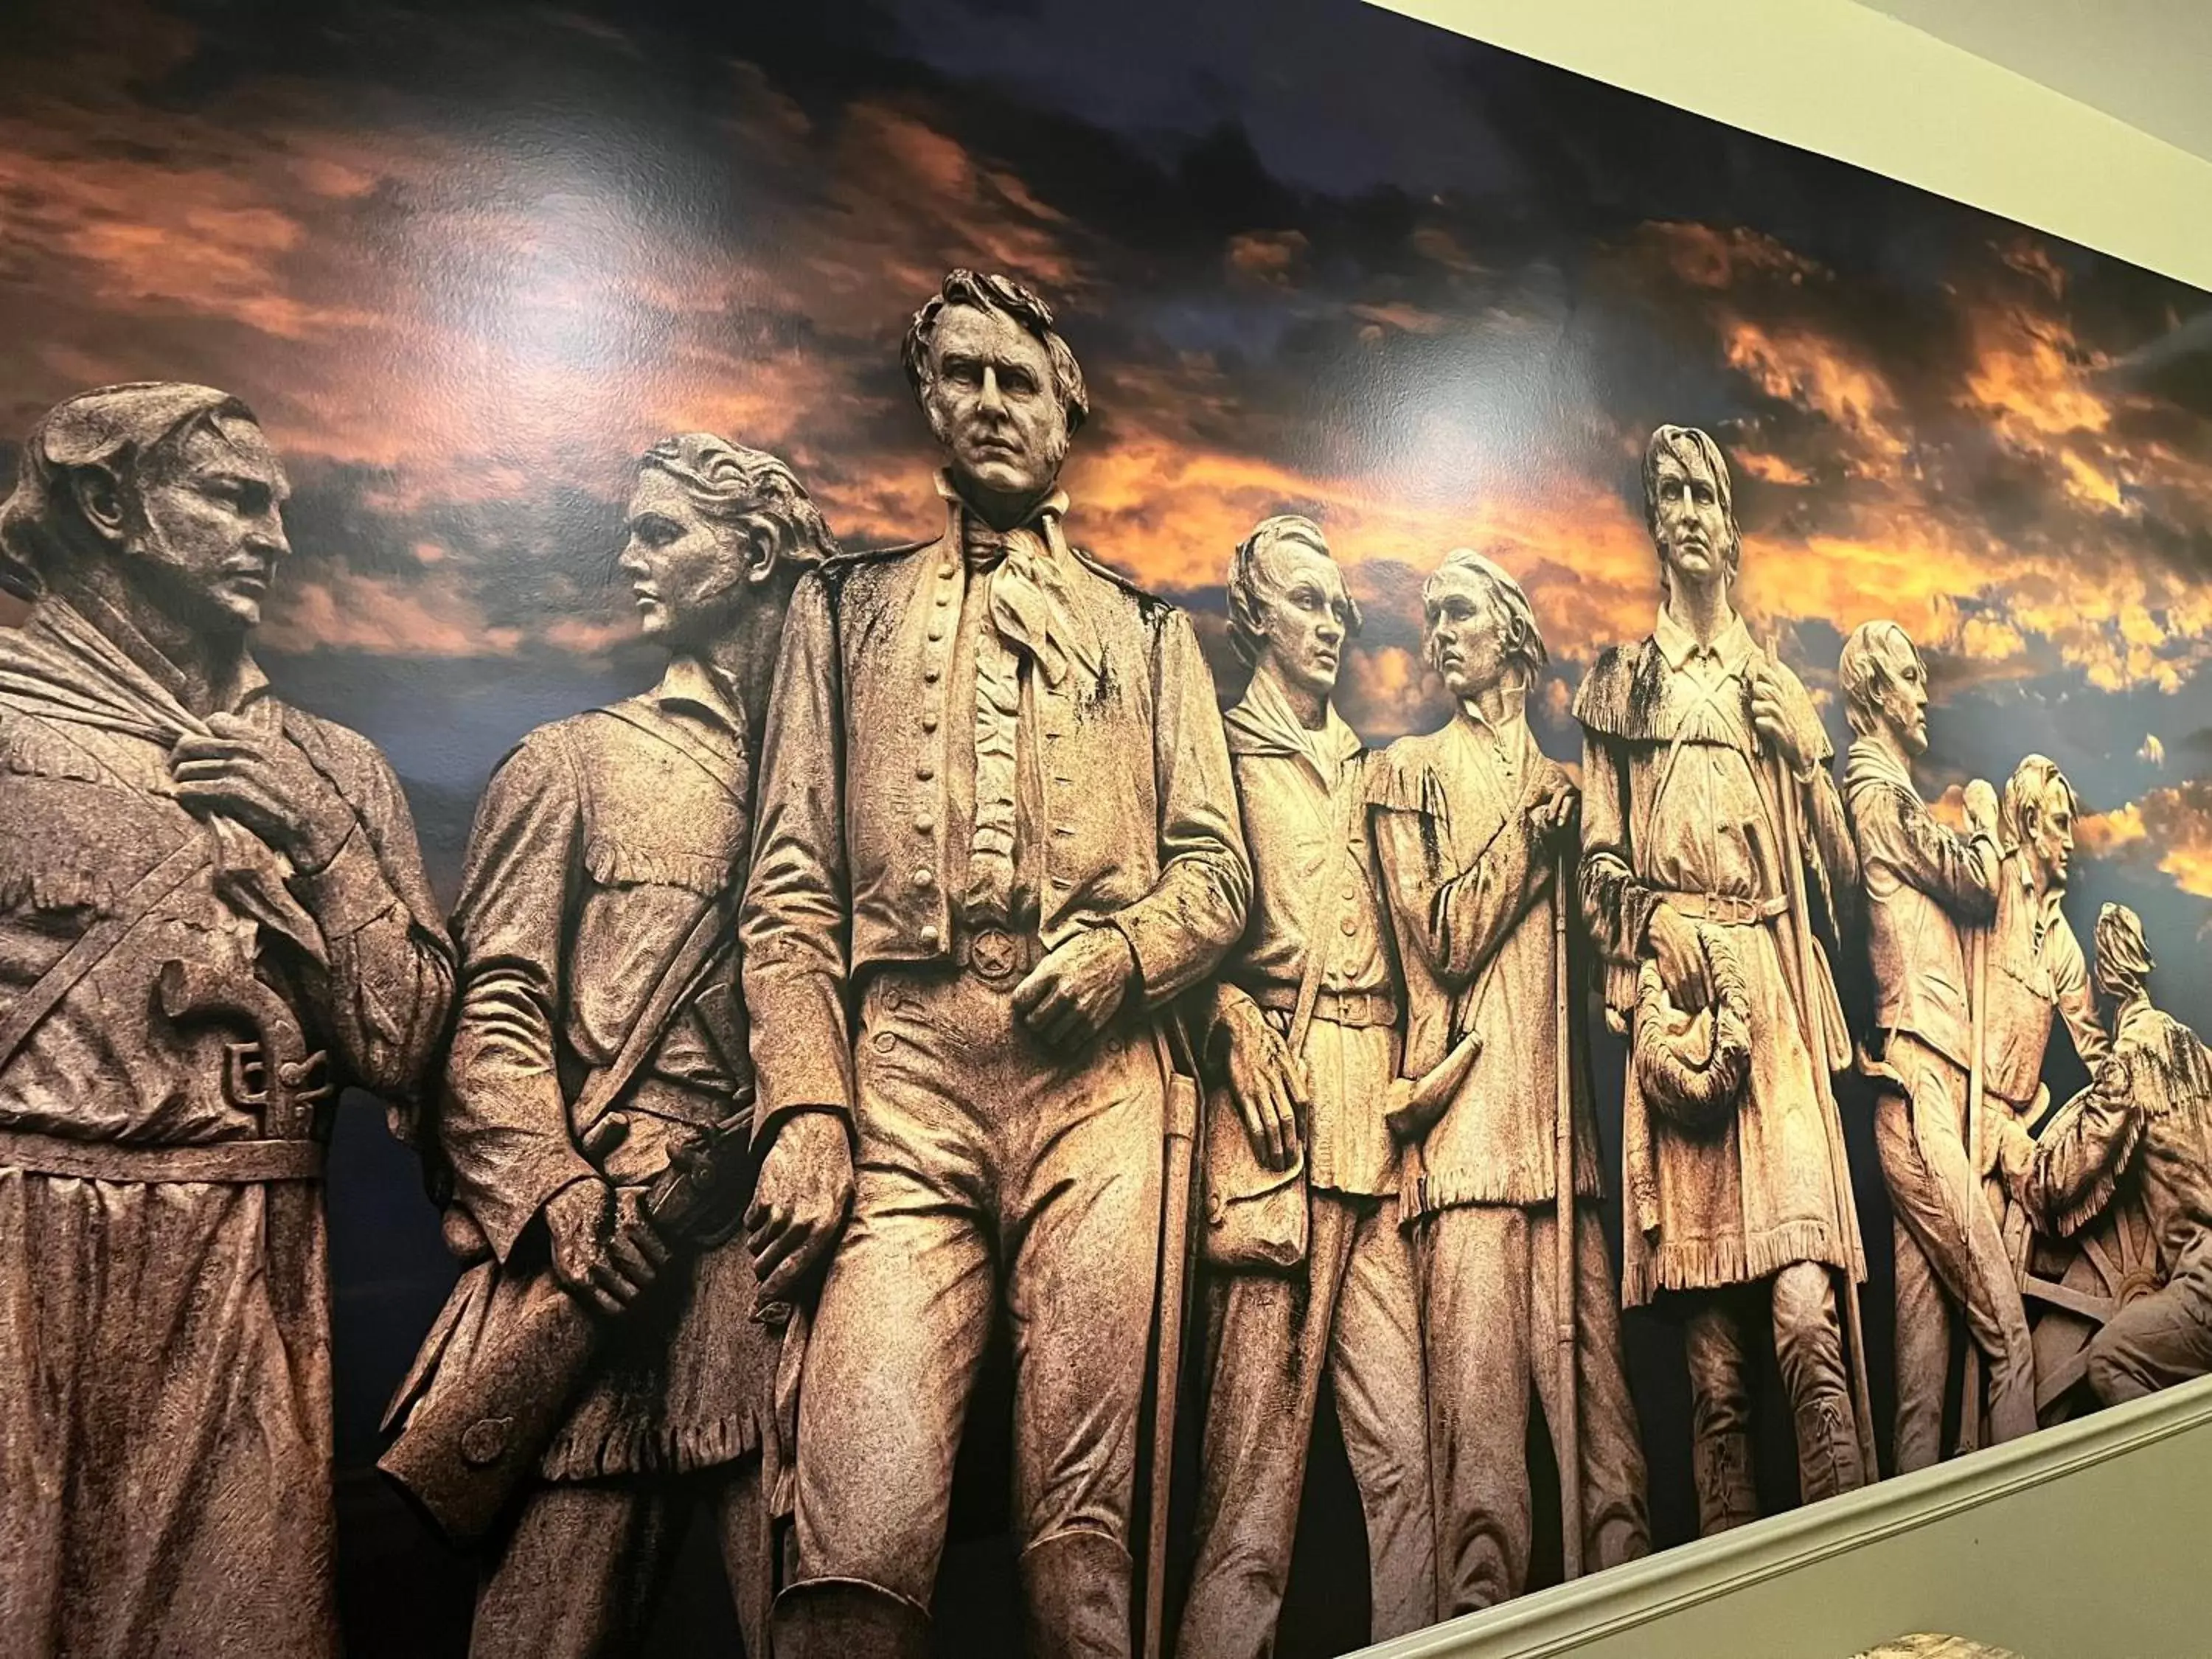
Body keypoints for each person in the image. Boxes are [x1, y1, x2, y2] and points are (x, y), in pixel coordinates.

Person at [740, 269, 1249, 1658]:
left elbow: (1220, 881)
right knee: (854, 1532)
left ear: (1064, 410)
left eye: (1017, 381)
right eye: (961, 376)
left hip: (1099, 1088)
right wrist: (806, 1105)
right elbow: (785, 898)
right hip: (904, 1078)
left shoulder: (1150, 638)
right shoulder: (837, 618)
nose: (987, 403)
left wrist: (1125, 956)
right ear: (927, 401)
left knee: (1086, 1540)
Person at [0, 383, 453, 1655]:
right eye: (233, 499)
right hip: (20, 1240)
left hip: (249, 1253)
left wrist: (322, 844)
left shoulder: (332, 763)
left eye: (280, 507)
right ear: (108, 504)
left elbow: (410, 1044)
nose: (274, 537)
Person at [386, 436, 830, 1657]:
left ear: (751, 555)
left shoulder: (841, 799)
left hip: (785, 1272)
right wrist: (557, 1189)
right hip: (618, 1265)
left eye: (662, 532)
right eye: (632, 532)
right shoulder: (574, 763)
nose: (630, 558)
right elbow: (495, 1013)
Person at [1575, 425, 1868, 1534]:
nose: (1688, 509)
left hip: (1778, 1003)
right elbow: (1596, 870)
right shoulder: (1620, 687)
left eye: (1705, 491)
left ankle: (1848, 1559)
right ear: (1654, 522)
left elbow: (1843, 881)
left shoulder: (1773, 686)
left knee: (1807, 1325)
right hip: (1684, 1011)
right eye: (1669, 494)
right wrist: (1652, 920)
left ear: (1731, 523)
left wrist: (1810, 750)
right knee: (1716, 1381)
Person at [1369, 549, 1650, 1610]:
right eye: (1430, 616)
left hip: (1563, 1159)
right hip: (1471, 1153)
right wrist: (1530, 853)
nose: (1439, 633)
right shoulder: (1408, 771)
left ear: (1517, 642)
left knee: (1609, 1459)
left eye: (1458, 613)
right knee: (1481, 1470)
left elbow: (1605, 981)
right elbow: (1438, 938)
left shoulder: (1571, 796)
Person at [1178, 516, 1433, 1658]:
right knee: (1253, 1492)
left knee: (1406, 1461)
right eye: (1306, 602)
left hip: (1374, 1113)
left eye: (1339, 606)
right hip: (1274, 1131)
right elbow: (1174, 938)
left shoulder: (1369, 771)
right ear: (1253, 619)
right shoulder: (1216, 757)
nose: (1330, 625)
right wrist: (1226, 1015)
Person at [1837, 621, 2035, 1467]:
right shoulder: (1879, 799)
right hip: (1920, 1086)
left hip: (1932, 1093)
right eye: (1912, 678)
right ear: (1879, 693)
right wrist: (1987, 820)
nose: (1924, 695)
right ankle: (2036, 1521)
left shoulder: (1887, 798)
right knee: (2010, 1337)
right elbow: (1977, 881)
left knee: (1921, 1390)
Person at [1990, 904, 2212, 1405]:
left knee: (2112, 1362)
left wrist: (2014, 1151)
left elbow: (2060, 1181)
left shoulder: (2129, 1063)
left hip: (2205, 1283)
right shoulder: (2199, 1055)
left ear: (2102, 982)